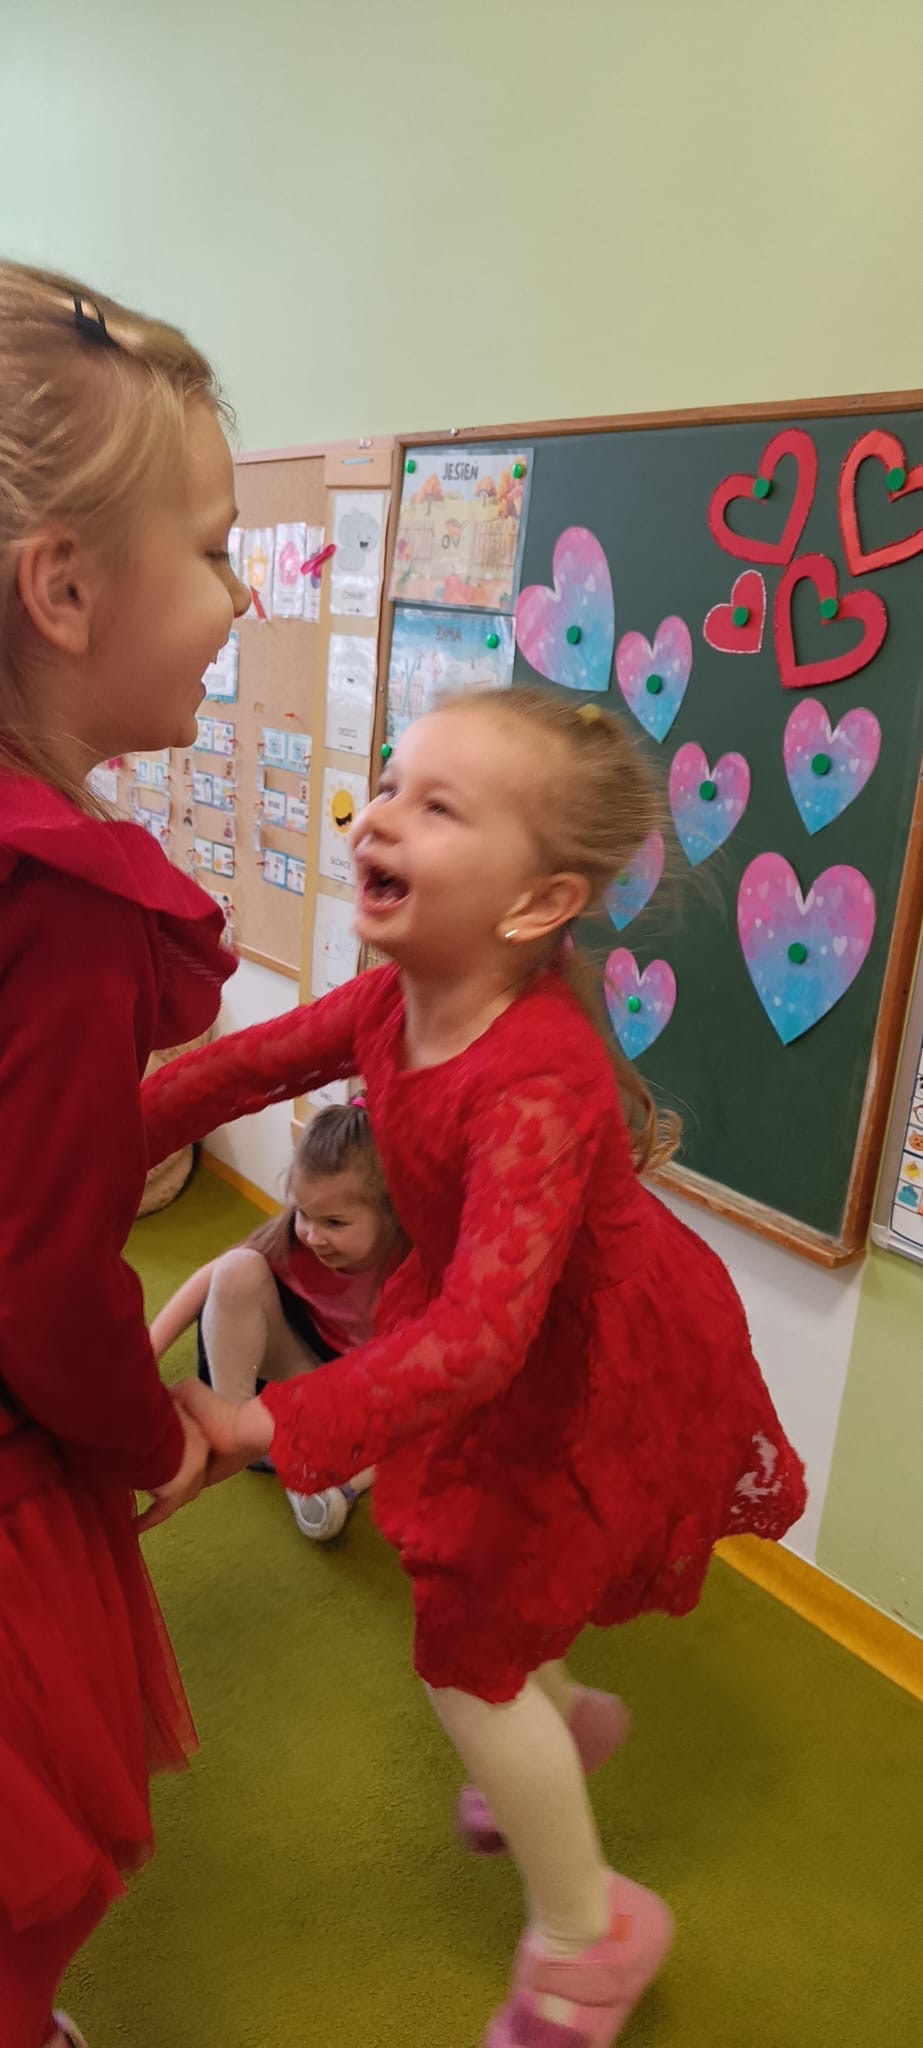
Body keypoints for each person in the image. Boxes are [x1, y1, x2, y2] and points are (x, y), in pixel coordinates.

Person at [142, 687, 807, 2048]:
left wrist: (267, 1421)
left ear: (533, 904)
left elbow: (484, 1339)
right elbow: (241, 1067)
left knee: (462, 1648)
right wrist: (93, 1126)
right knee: (474, 1569)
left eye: (436, 806)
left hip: (582, 1354)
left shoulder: (534, 1075)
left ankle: (585, 1933)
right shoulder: (398, 998)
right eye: (392, 782)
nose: (378, 815)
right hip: (489, 1331)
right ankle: (562, 1720)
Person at [0, 260, 250, 2048]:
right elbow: (38, 1275)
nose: (244, 598)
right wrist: (153, 1432)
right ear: (67, 588)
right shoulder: (62, 905)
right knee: (42, 1860)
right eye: (220, 551)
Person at [150, 1100, 401, 1538]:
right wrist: (147, 1351)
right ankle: (235, 1427)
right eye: (303, 1213)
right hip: (293, 1367)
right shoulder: (292, 1238)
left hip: (359, 1391)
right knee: (237, 1270)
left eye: (335, 1223)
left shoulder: (413, 1265)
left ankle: (331, 1480)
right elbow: (211, 1279)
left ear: (391, 1214)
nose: (313, 1235)